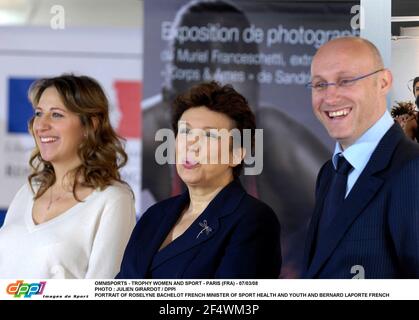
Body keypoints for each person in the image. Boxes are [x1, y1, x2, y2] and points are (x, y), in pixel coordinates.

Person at [142, 0, 329, 278]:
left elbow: (352, 215)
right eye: (188, 131)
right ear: (171, 95)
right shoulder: (149, 140)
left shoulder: (276, 141)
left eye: (216, 131)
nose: (196, 144)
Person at [117, 81, 281, 278]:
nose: (191, 144)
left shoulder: (253, 219)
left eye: (209, 135)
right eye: (185, 132)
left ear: (236, 154)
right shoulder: (155, 215)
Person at [301, 36, 419, 278]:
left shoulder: (412, 171)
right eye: (320, 85)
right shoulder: (329, 172)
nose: (330, 98)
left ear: (383, 82)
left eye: (346, 81)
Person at [0, 75, 136, 279]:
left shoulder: (113, 199)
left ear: (91, 124)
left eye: (56, 115)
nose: (41, 125)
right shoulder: (30, 190)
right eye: (39, 113)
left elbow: (102, 290)